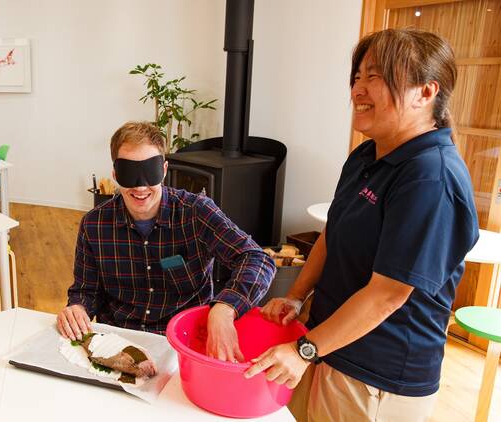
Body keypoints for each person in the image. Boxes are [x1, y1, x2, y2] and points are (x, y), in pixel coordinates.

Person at [245, 28, 479, 421]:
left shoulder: (429, 177)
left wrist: (305, 350)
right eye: (358, 77)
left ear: (426, 93)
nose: (358, 89)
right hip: (325, 346)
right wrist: (297, 296)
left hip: (377, 377)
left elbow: (388, 294)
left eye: (377, 77)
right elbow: (332, 232)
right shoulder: (366, 154)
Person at [57, 122, 276, 361]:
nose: (140, 186)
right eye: (129, 173)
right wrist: (78, 308)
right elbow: (86, 290)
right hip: (119, 343)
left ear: (163, 169)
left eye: (149, 172)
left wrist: (224, 308)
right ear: (115, 175)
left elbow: (257, 258)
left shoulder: (196, 212)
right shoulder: (94, 224)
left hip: (183, 342)